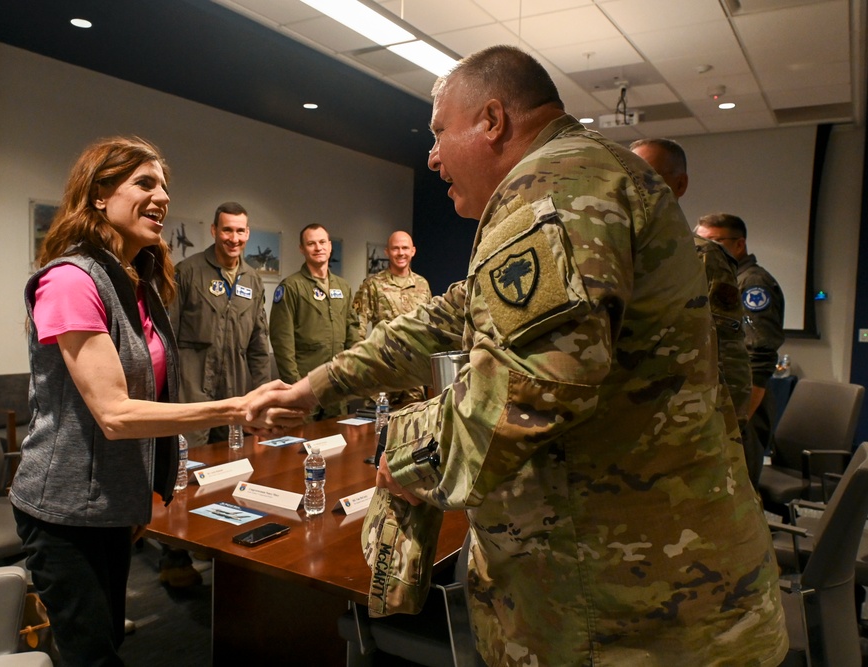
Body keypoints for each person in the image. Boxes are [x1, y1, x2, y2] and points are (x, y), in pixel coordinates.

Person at [248, 46, 786, 666]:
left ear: (492, 120)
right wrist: (315, 386)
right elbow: (444, 316)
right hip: (682, 588)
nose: (431, 156)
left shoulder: (548, 188)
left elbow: (521, 398)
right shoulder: (602, 173)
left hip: (617, 612)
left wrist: (405, 453)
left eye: (438, 132)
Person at [9, 136, 301, 667]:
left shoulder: (137, 281)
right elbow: (116, 414)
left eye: (164, 185)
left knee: (107, 643)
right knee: (91, 655)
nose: (162, 196)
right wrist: (235, 408)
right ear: (99, 194)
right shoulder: (71, 280)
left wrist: (141, 491)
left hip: (113, 503)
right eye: (145, 182)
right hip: (66, 508)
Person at [629, 139, 752, 445]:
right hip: (625, 421)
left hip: (683, 423)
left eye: (650, 176)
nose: (635, 185)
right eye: (628, 175)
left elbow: (727, 348)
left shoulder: (703, 257)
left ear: (680, 184)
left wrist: (730, 429)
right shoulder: (610, 250)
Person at [169, 201, 271, 447]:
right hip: (191, 389)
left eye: (239, 231)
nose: (233, 238)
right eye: (227, 230)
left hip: (234, 391)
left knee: (230, 456)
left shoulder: (253, 281)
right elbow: (167, 335)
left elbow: (259, 347)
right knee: (190, 457)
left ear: (247, 233)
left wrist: (264, 396)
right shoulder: (188, 272)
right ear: (214, 230)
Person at [696, 212, 786, 485]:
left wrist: (740, 420)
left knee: (739, 488)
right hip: (724, 398)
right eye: (699, 241)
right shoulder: (718, 276)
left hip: (746, 400)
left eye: (714, 241)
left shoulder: (751, 283)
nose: (704, 248)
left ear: (739, 244)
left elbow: (760, 354)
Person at [269, 223, 358, 418]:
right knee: (301, 442)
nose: (318, 248)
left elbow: (352, 330)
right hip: (305, 381)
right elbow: (282, 340)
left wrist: (352, 372)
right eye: (311, 243)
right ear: (302, 248)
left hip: (336, 381)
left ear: (330, 245)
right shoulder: (292, 287)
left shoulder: (343, 287)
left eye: (322, 242)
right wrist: (293, 385)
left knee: (338, 440)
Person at [352, 230, 431, 404]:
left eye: (405, 248)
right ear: (387, 252)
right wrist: (362, 366)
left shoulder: (422, 284)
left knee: (413, 423)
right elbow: (357, 327)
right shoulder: (373, 285)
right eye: (395, 248)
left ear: (413, 251)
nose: (401, 253)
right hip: (383, 368)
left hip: (413, 373)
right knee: (377, 424)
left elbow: (429, 326)